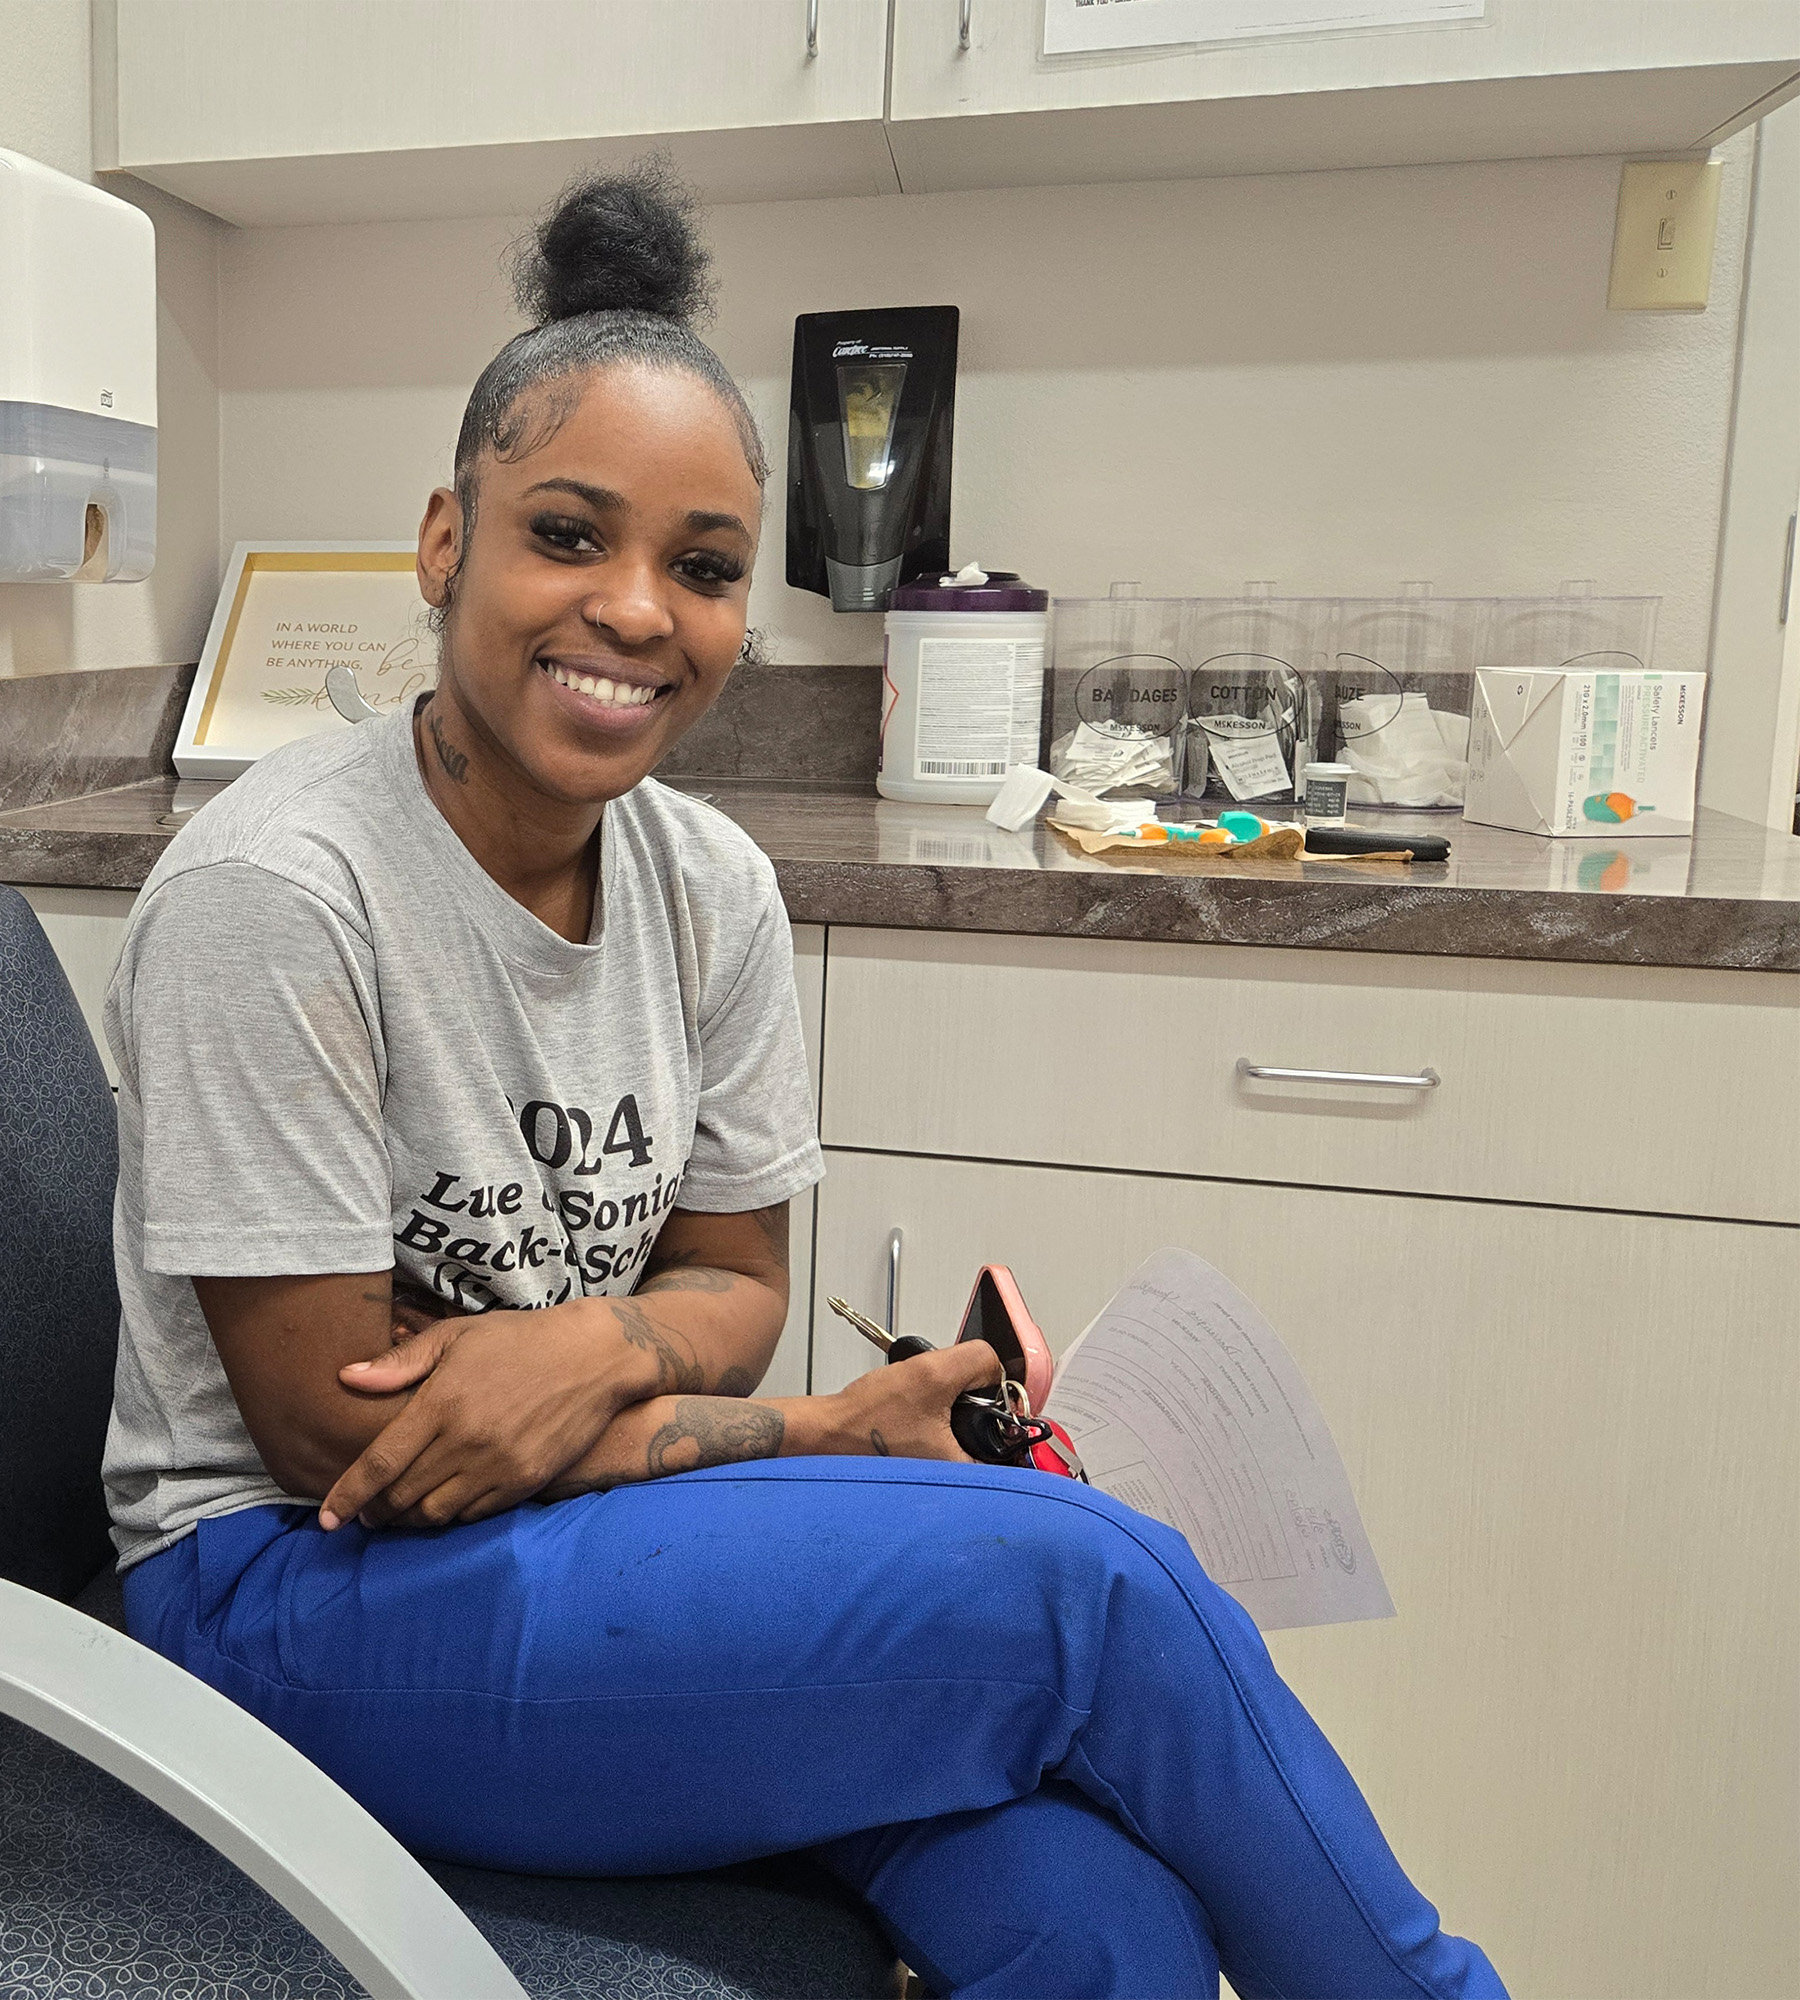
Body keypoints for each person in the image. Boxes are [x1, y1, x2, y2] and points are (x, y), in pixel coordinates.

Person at [97, 164, 1505, 2000]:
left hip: (587, 1518)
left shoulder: (711, 886)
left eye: (696, 568)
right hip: (286, 1602)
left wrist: (586, 1349)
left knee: (1093, 1920)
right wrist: (832, 1433)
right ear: (444, 541)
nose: (631, 611)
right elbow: (348, 1449)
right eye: (565, 535)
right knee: (1096, 1589)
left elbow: (737, 1291)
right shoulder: (279, 898)